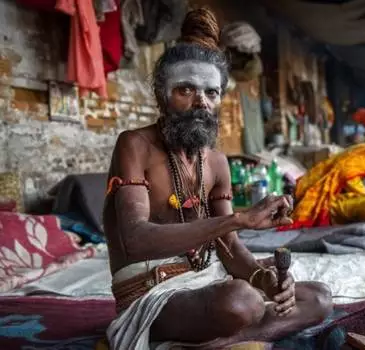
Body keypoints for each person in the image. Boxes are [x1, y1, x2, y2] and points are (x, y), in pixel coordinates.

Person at [103, 8, 332, 350]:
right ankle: (233, 337)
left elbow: (229, 248)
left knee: (319, 298)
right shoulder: (135, 145)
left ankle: (213, 343)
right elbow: (136, 240)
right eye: (186, 90)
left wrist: (264, 278)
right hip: (151, 290)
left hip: (209, 278)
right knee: (242, 302)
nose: (202, 103)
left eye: (212, 92)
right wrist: (238, 219)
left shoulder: (217, 162)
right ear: (162, 95)